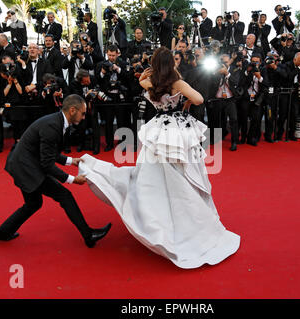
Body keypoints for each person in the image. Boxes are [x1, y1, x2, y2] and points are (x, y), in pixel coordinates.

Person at [78, 47, 240, 269]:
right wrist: (185, 102)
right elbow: (200, 99)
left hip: (158, 129)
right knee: (183, 173)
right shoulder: (177, 83)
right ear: (171, 63)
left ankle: (158, 216)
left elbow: (143, 80)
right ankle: (188, 218)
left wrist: (149, 73)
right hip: (177, 129)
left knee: (153, 175)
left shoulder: (149, 82)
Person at [0, 94, 112, 247]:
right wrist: (72, 179)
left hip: (25, 163)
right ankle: (89, 235)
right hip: (26, 167)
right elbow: (47, 163)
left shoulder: (57, 121)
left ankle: (0, 234)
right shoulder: (53, 126)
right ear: (73, 110)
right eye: (82, 112)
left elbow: (49, 153)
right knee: (64, 195)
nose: (84, 116)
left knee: (33, 204)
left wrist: (70, 161)